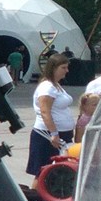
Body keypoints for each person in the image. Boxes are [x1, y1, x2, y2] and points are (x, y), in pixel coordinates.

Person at [26, 53, 74, 185]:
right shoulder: (47, 87)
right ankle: (34, 196)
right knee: (42, 172)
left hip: (62, 135)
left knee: (58, 172)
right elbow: (45, 111)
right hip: (48, 136)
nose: (67, 71)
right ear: (53, 68)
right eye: (63, 68)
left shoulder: (56, 85)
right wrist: (54, 133)